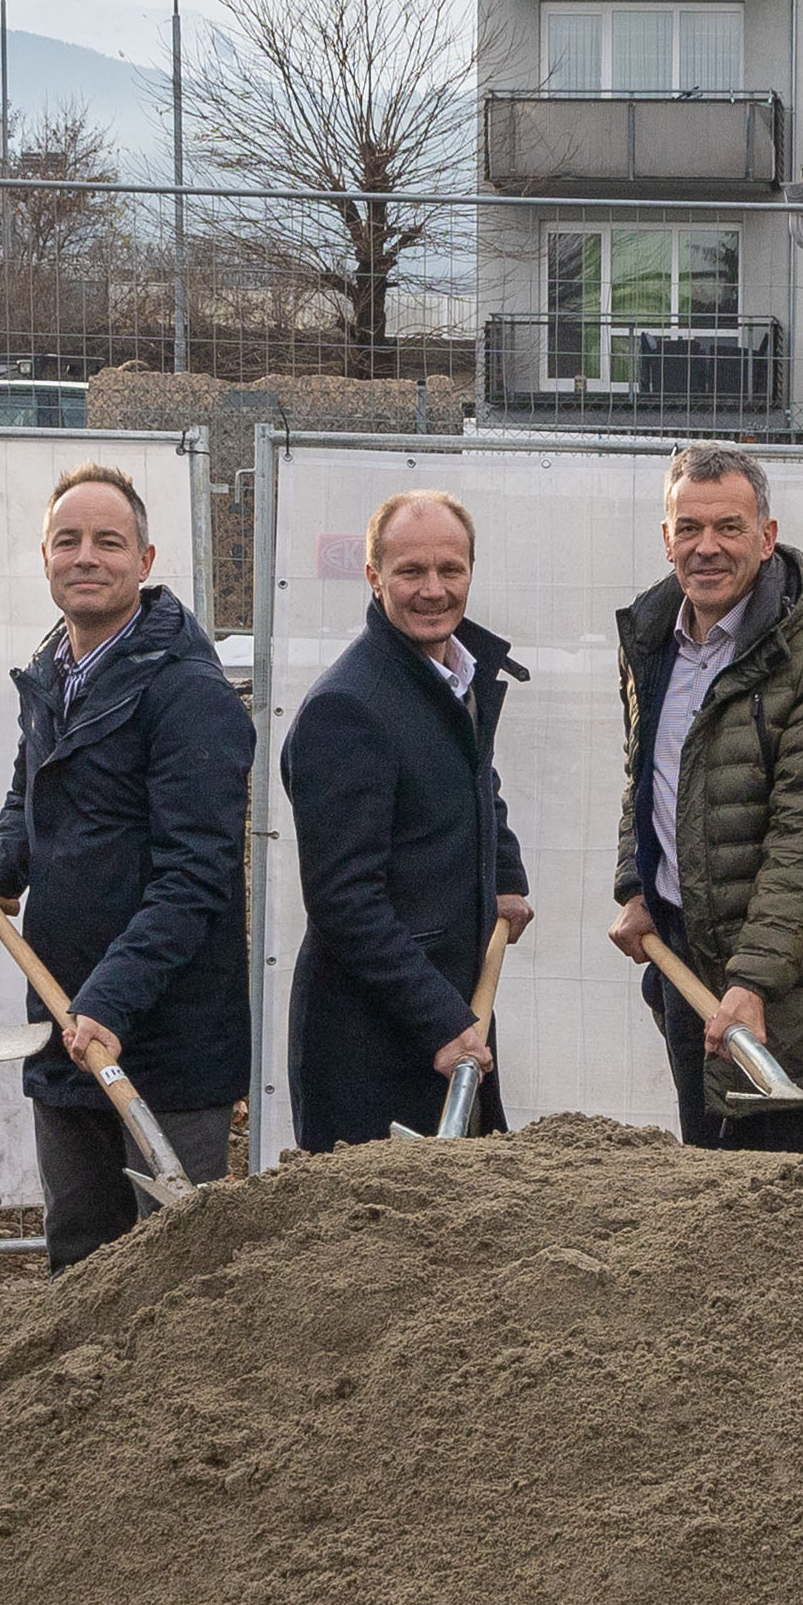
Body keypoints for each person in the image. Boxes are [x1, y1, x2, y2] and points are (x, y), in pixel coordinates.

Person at [0, 464, 244, 1270]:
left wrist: (109, 1002)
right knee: (80, 1256)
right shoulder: (54, 675)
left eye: (108, 542)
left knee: (171, 1268)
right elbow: (33, 792)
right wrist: (0, 867)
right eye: (68, 541)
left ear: (145, 562)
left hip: (167, 1035)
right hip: (65, 1016)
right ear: (44, 556)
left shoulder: (189, 693)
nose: (87, 557)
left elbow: (196, 875)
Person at [607, 442, 803, 1147]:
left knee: (796, 1218)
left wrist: (754, 982)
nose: (708, 548)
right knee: (709, 1197)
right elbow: (650, 777)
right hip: (686, 967)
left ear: (767, 538)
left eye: (729, 528)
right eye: (690, 529)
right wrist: (637, 884)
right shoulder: (652, 638)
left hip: (794, 991)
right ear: (666, 539)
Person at [284, 488, 531, 1152]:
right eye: (410, 572)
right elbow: (345, 902)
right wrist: (440, 1021)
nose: (433, 590)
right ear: (373, 577)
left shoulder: (452, 677)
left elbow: (476, 780)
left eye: (450, 571)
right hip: (371, 1046)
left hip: (452, 1012)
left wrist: (505, 874)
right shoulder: (349, 709)